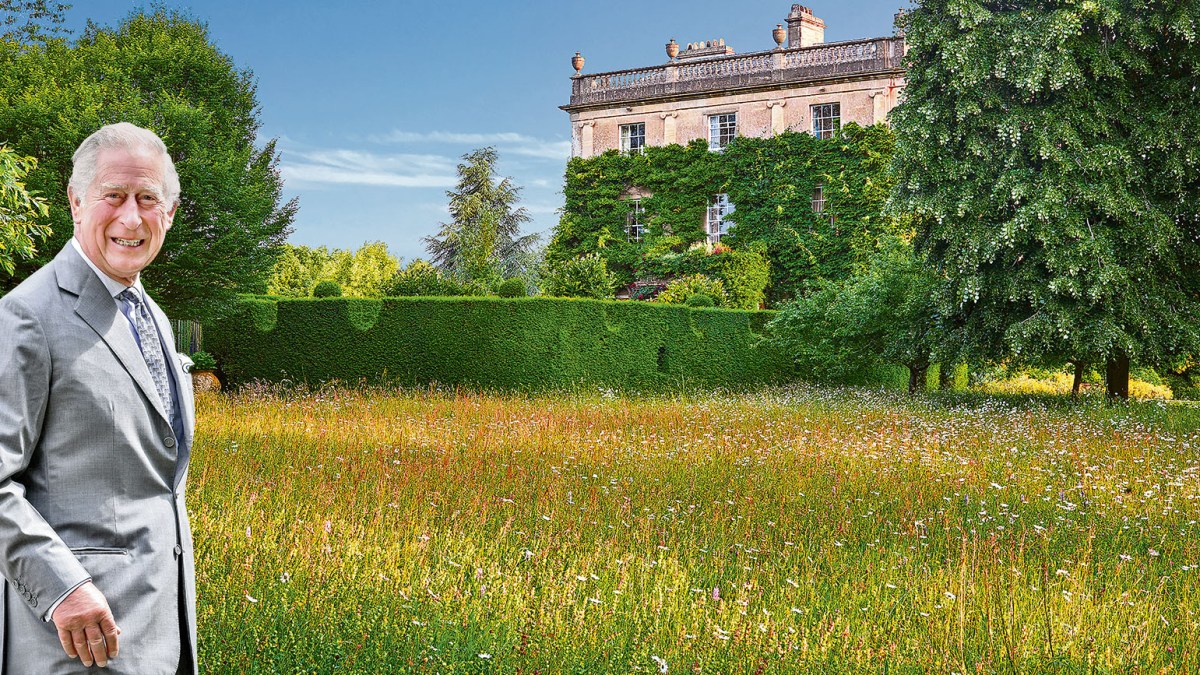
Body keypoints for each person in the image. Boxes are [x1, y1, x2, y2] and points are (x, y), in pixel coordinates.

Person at [0, 122, 197, 673]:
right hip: (73, 646)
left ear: (171, 212)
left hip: (159, 630)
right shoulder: (27, 314)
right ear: (76, 202)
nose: (131, 218)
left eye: (148, 199)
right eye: (114, 196)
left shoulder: (149, 310)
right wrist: (65, 590)